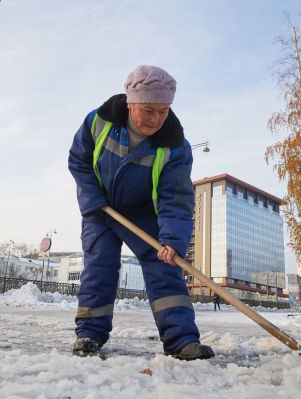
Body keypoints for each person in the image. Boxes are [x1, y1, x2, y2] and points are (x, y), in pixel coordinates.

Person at [68, 65, 214, 361]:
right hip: (101, 207)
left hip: (144, 212)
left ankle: (181, 340)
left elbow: (176, 197)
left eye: (163, 111)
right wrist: (92, 198)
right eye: (149, 110)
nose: (156, 119)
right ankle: (89, 334)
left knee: (166, 266)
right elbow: (79, 161)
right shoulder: (99, 122)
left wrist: (172, 239)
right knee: (99, 266)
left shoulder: (176, 146)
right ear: (130, 101)